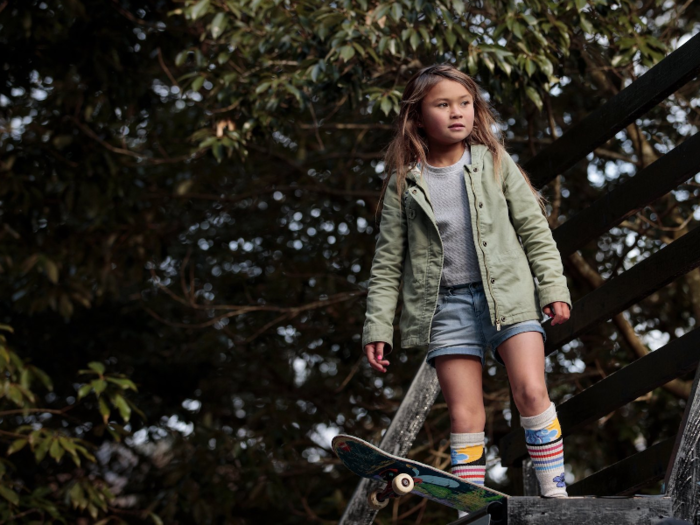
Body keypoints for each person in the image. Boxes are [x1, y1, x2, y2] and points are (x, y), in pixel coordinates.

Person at [361, 64, 573, 509]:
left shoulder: (495, 162)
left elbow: (534, 228)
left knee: (531, 391)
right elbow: (387, 263)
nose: (457, 113)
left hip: (510, 296)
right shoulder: (405, 183)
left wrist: (553, 286)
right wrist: (378, 327)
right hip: (446, 307)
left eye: (465, 104)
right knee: (464, 413)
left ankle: (555, 492)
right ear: (417, 117)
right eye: (443, 104)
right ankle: (470, 508)